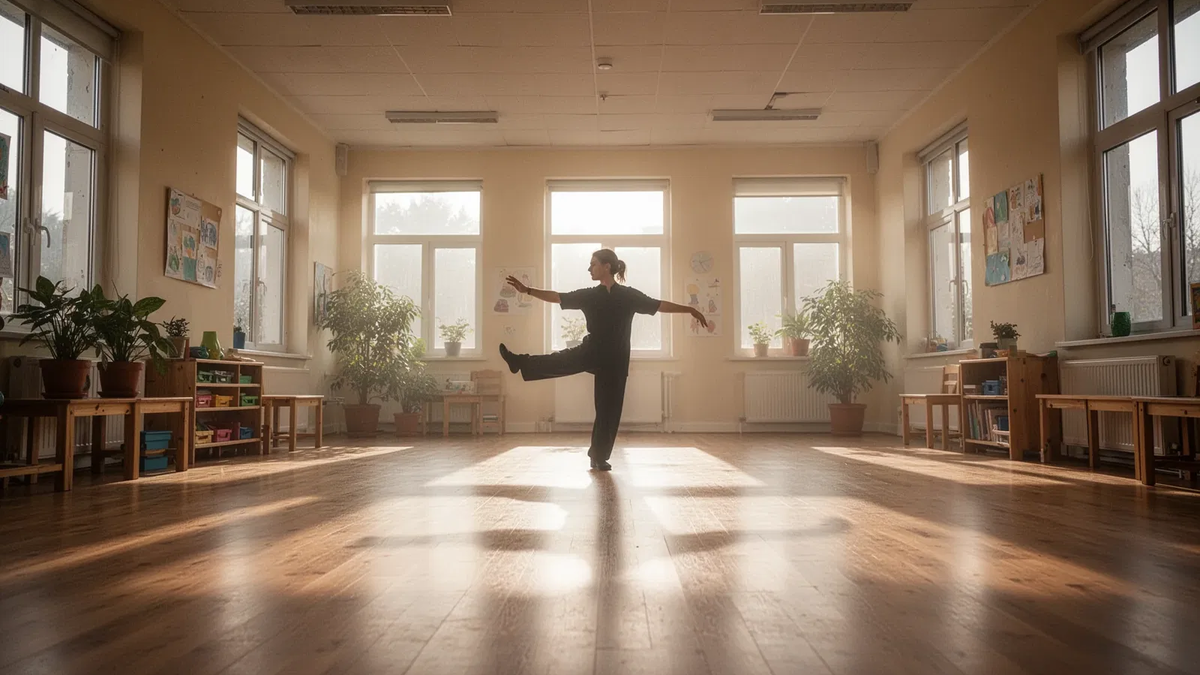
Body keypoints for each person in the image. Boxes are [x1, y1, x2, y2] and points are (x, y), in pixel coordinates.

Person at [499, 249, 707, 471]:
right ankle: (519, 362)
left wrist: (690, 310)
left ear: (607, 266)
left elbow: (659, 305)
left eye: (593, 264)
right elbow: (558, 297)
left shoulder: (628, 296)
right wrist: (527, 290)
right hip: (593, 350)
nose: (589, 268)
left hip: (616, 360)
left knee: (609, 410)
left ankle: (598, 456)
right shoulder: (590, 295)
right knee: (559, 360)